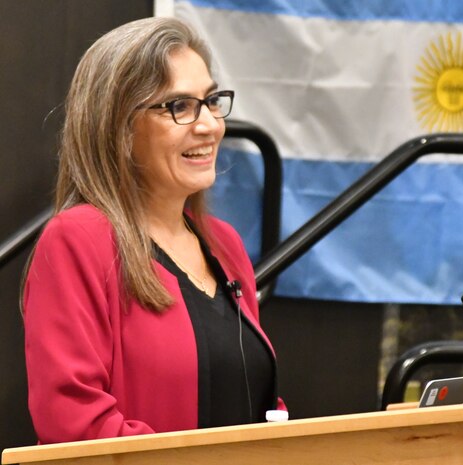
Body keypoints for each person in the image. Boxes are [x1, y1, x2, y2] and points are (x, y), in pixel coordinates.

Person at [22, 16, 286, 444]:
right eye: (179, 106)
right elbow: (72, 421)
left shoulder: (225, 244)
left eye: (212, 100)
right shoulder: (78, 239)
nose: (210, 125)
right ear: (120, 128)